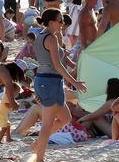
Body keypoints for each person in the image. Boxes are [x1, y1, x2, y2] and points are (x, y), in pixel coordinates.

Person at [32, 8, 87, 162]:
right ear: (51, 22)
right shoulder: (50, 38)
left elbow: (59, 61)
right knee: (47, 124)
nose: (62, 23)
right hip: (49, 82)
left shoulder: (44, 36)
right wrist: (74, 81)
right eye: (60, 20)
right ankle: (39, 159)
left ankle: (39, 143)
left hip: (48, 81)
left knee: (65, 118)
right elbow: (57, 65)